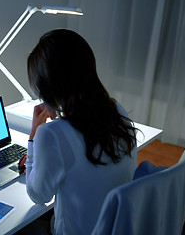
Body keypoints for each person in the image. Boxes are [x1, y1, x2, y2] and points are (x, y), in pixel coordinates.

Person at [19, 29, 138, 234]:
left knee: (17, 226)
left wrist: (33, 136)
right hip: (116, 227)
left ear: (46, 89)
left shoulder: (51, 134)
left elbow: (38, 196)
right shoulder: (118, 111)